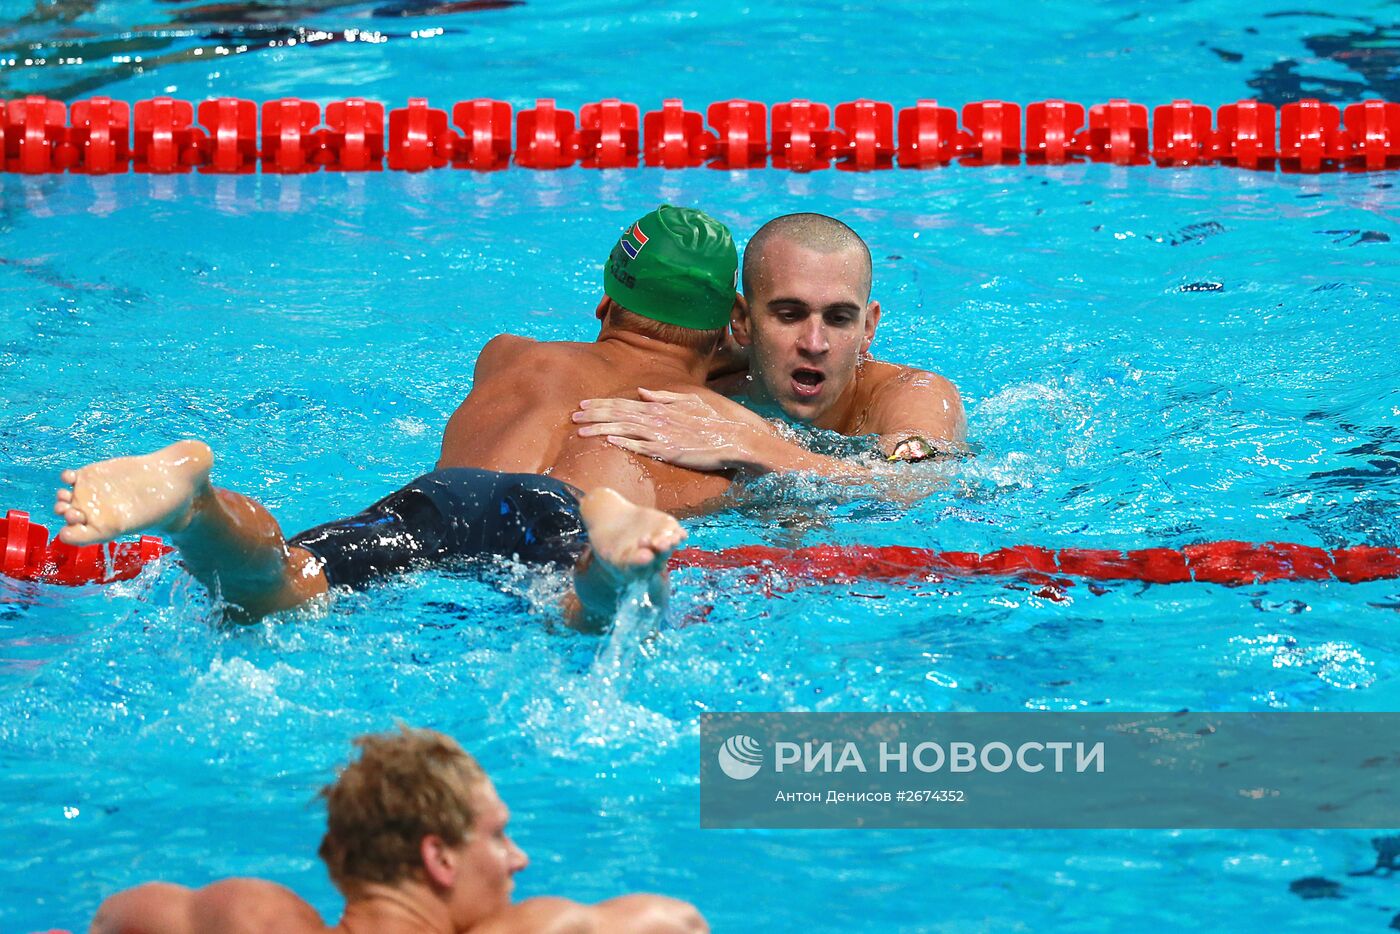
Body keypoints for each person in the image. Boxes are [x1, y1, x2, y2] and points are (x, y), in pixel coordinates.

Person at [53, 205, 742, 626]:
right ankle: (611, 569)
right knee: (591, 616)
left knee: (281, 586)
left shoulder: (508, 355)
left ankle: (195, 508)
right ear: (724, 335)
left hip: (441, 498)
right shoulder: (719, 426)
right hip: (563, 512)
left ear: (604, 306)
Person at [91, 726, 707, 934]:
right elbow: (681, 921)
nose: (517, 859)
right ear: (437, 856)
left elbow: (117, 915)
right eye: (498, 836)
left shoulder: (250, 915)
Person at [570, 213, 967, 478]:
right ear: (741, 321)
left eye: (839, 318)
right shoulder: (707, 382)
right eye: (789, 315)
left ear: (868, 327)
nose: (815, 344)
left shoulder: (912, 394)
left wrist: (753, 446)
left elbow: (918, 483)